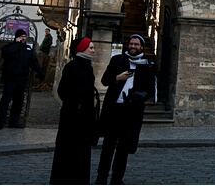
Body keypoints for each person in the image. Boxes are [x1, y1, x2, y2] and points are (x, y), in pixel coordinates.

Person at [95, 34, 157, 185]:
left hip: (131, 112)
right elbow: (104, 80)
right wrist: (118, 78)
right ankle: (101, 178)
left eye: (136, 44)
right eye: (131, 44)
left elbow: (150, 90)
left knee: (123, 148)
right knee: (108, 146)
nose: (133, 47)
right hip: (114, 110)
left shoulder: (147, 65)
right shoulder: (118, 60)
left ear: (141, 47)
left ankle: (117, 179)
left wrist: (139, 97)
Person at [49, 37, 99, 184]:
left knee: (82, 154)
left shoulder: (88, 66)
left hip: (85, 119)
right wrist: (77, 105)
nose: (93, 50)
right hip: (72, 118)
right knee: (68, 151)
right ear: (82, 49)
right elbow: (63, 90)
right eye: (90, 47)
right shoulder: (72, 66)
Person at [0, 28, 44, 130]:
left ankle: (14, 121)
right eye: (22, 37)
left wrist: (40, 72)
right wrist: (17, 44)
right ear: (17, 37)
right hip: (10, 78)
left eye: (25, 37)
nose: (23, 39)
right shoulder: (10, 47)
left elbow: (34, 62)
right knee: (5, 100)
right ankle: (0, 122)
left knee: (18, 101)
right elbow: (6, 54)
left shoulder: (27, 50)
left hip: (21, 78)